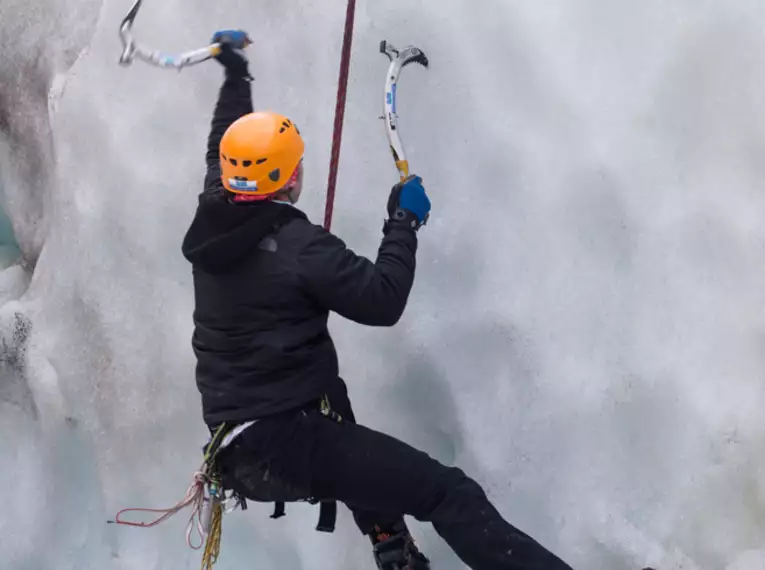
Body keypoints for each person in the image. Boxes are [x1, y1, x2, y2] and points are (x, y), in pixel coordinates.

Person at [181, 30, 576, 570]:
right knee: (447, 492)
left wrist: (235, 73)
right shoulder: (301, 249)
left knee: (333, 406)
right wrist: (404, 223)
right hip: (288, 446)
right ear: (289, 177)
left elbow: (223, 142)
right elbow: (382, 300)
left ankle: (390, 542)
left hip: (237, 446)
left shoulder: (213, 218)